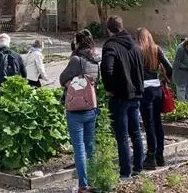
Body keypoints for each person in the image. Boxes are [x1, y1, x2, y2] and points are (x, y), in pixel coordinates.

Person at [101, 16, 145, 180]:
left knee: (122, 135)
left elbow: (107, 69)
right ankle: (139, 167)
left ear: (108, 30)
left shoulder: (111, 45)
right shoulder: (135, 45)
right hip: (135, 94)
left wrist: (110, 88)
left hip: (120, 95)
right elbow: (140, 67)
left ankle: (125, 171)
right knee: (135, 132)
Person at [59, 31, 100, 193]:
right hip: (91, 106)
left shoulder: (76, 60)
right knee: (90, 146)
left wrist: (71, 83)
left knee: (79, 148)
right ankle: (93, 179)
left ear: (78, 42)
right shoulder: (96, 59)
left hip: (76, 109)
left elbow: (62, 78)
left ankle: (83, 184)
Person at [135, 28, 172, 170]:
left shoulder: (138, 50)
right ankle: (160, 156)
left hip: (144, 89)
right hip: (157, 88)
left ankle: (150, 156)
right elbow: (169, 67)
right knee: (158, 123)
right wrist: (164, 79)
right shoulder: (156, 49)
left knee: (148, 124)